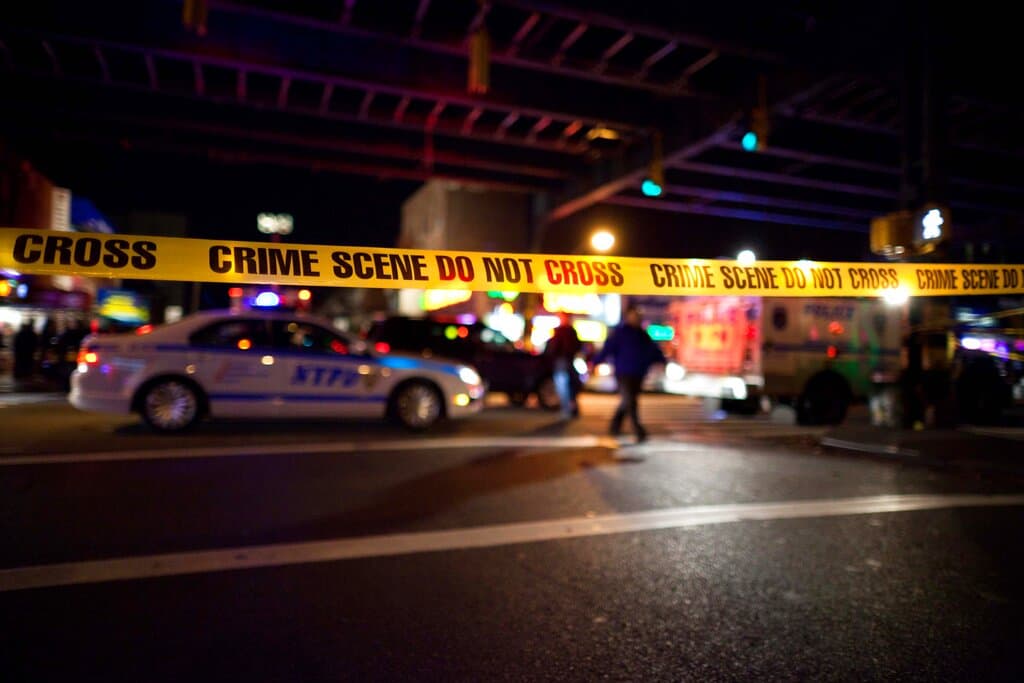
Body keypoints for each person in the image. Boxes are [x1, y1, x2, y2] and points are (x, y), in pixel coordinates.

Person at [592, 305, 666, 442]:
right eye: (633, 315)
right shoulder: (620, 333)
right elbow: (608, 349)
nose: (636, 318)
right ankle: (638, 431)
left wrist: (662, 361)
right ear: (627, 317)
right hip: (623, 373)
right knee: (630, 401)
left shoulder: (643, 335)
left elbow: (654, 351)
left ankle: (615, 426)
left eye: (637, 316)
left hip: (638, 374)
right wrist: (596, 361)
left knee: (628, 401)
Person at [545, 311, 582, 419]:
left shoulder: (562, 332)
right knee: (569, 386)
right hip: (567, 361)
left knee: (563, 386)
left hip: (562, 362)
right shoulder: (571, 331)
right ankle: (571, 408)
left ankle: (567, 409)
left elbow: (554, 347)